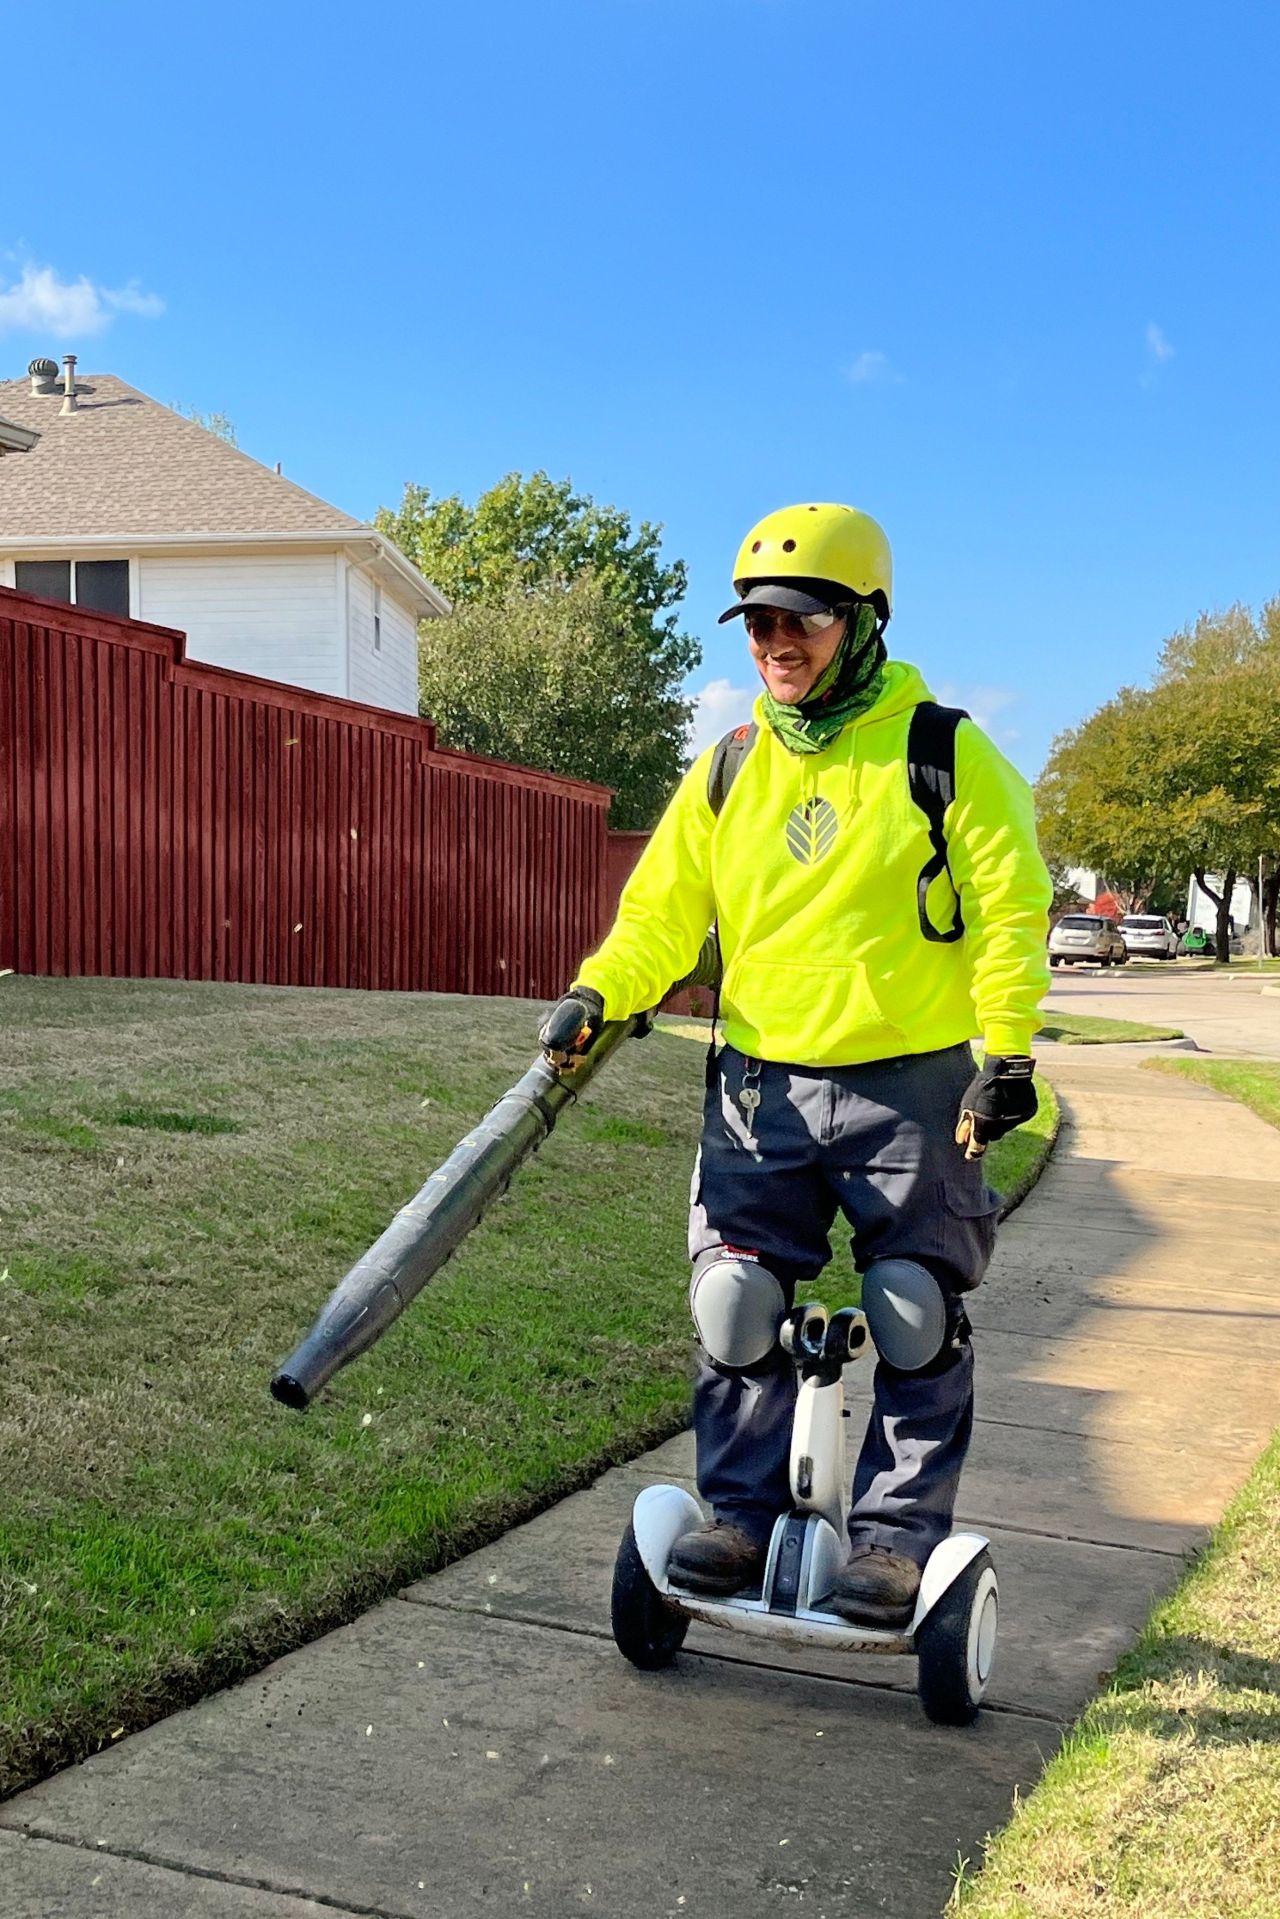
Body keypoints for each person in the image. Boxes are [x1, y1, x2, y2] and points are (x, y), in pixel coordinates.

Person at [540, 503, 1051, 1625]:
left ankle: (895, 1539)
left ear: (864, 619)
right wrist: (597, 991)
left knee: (911, 1308)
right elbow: (659, 918)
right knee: (733, 1306)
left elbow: (1013, 909)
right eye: (758, 620)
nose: (776, 640)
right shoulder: (727, 766)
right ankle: (740, 1515)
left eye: (802, 619)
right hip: (758, 1086)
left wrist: (1005, 1048)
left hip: (911, 1085)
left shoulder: (941, 750)